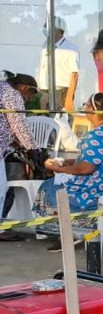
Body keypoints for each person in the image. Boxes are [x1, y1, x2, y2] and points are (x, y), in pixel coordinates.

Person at [36, 92, 103, 251]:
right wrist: (68, 163)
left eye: (87, 105)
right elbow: (97, 160)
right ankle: (73, 229)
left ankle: (71, 232)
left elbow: (85, 169)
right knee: (58, 185)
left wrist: (57, 167)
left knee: (50, 187)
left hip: (99, 186)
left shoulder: (97, 135)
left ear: (96, 111)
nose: (85, 108)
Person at [1, 72, 40, 240]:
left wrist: (14, 141)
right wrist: (33, 149)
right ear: (24, 88)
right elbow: (20, 126)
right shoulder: (13, 95)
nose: (28, 100)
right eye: (30, 96)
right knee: (1, 190)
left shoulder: (2, 88)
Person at [36, 17, 80, 113]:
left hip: (60, 92)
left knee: (61, 121)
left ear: (58, 30)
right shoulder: (45, 45)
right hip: (44, 91)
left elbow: (75, 75)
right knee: (45, 122)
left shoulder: (70, 48)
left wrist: (69, 98)